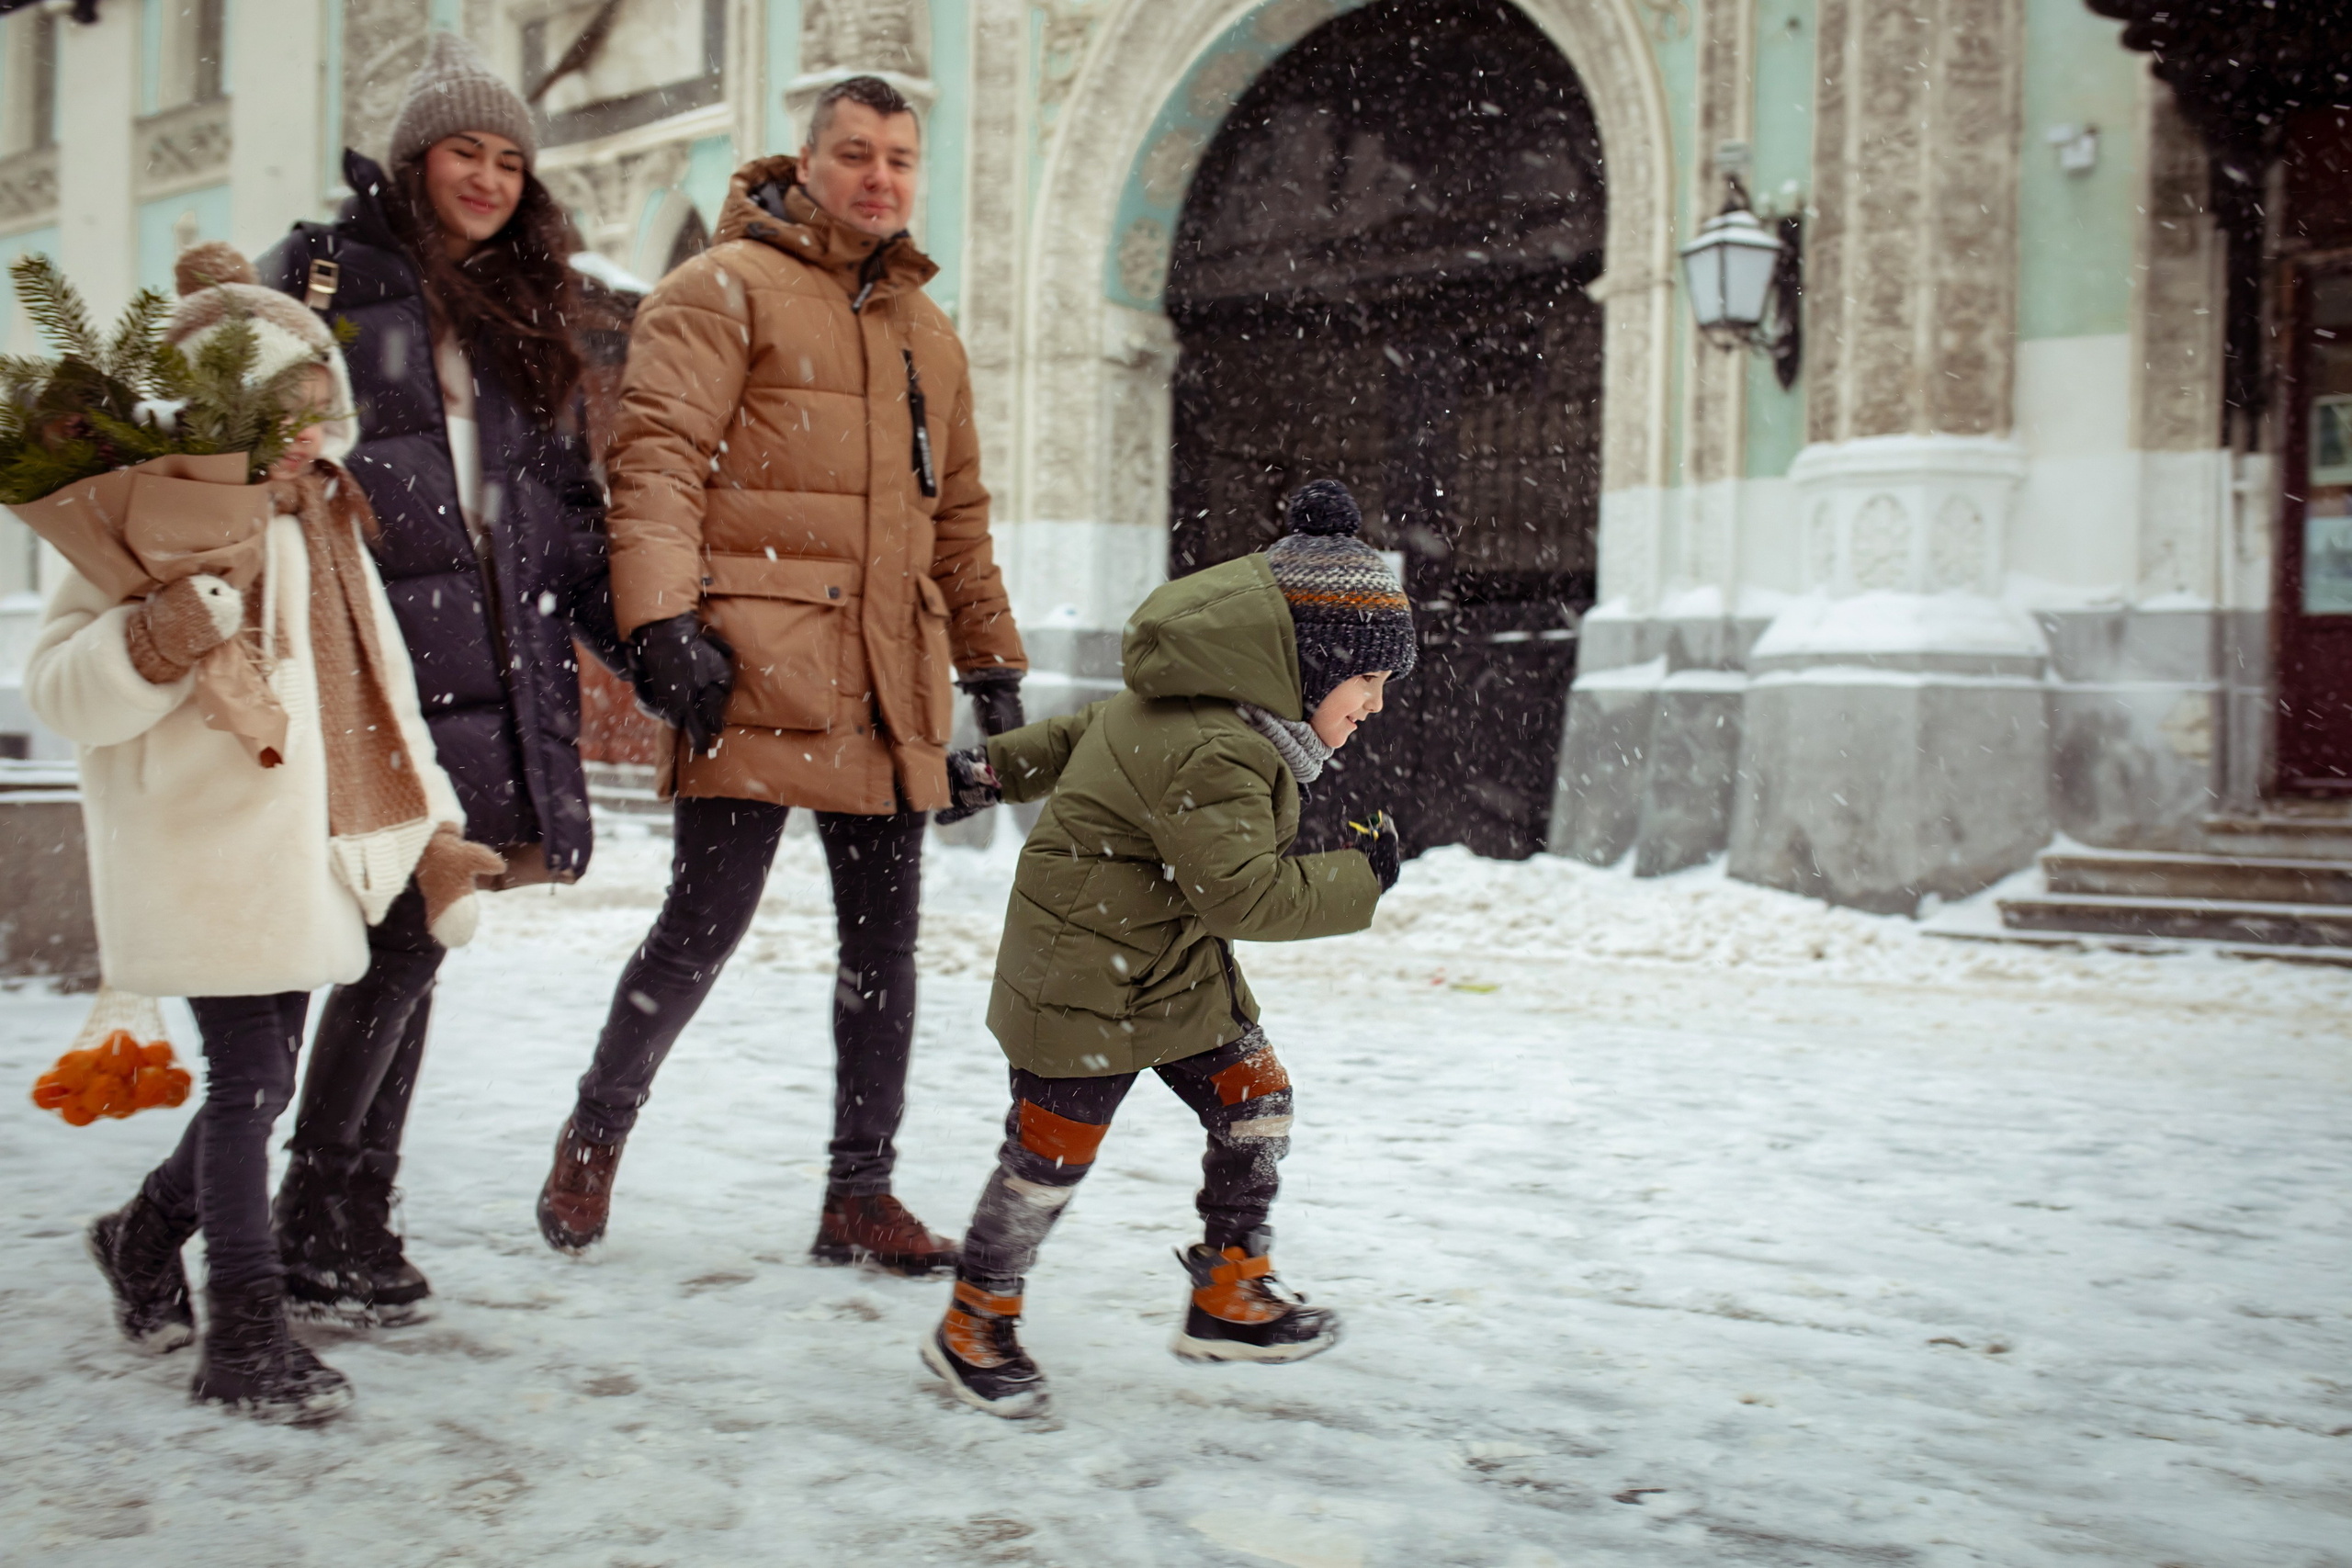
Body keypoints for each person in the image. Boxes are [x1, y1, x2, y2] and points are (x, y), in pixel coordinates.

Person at [533, 75, 1026, 1271]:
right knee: (702, 925)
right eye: (854, 152)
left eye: (899, 157)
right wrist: (662, 624)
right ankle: (595, 1132)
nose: (879, 177)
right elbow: (657, 461)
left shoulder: (928, 331)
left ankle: (861, 1192)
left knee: (885, 952)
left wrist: (993, 668)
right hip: (751, 663)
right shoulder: (719, 290)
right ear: (805, 163)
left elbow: (957, 516)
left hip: (890, 671)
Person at [31, 245, 498, 1422]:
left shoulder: (317, 522)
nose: (304, 438)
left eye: (315, 412)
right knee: (249, 1082)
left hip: (303, 856)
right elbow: (61, 688)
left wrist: (433, 830)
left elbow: (381, 697)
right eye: (275, 414)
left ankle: (141, 1235)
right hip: (197, 851)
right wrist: (151, 640)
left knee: (265, 1082)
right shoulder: (143, 515)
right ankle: (243, 1332)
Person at [256, 31, 628, 1325]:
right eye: (464, 151)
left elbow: (559, 518)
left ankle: (350, 1207)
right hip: (364, 665)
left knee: (420, 934)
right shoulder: (326, 274)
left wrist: (645, 645)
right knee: (402, 937)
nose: (487, 178)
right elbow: (240, 444)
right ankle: (304, 1207)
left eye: (509, 161)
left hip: (483, 665)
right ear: (414, 158)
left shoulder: (518, 311)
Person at [918, 480, 1412, 1418]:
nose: (1376, 704)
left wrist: (989, 771)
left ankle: (1230, 1289)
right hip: (1084, 975)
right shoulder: (1219, 747)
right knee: (1047, 1159)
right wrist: (1361, 878)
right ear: (1311, 667)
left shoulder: (1203, 709)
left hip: (1166, 968)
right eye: (1369, 682)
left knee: (1254, 1097)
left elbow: (1082, 736)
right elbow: (1243, 894)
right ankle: (974, 1320)